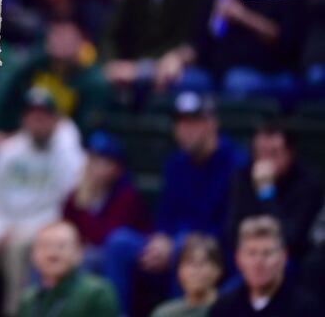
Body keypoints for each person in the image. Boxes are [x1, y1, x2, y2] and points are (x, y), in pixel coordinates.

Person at [103, 91, 249, 314]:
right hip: (173, 244)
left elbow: (230, 227)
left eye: (194, 122)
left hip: (216, 252)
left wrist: (177, 243)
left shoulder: (236, 164)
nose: (186, 130)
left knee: (185, 246)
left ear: (212, 124)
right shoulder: (175, 163)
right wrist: (161, 240)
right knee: (119, 242)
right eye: (180, 123)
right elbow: (165, 216)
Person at [0, 87, 85, 315]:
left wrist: (21, 230)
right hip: (0, 229)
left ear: (55, 119)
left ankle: (15, 312)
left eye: (44, 115)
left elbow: (64, 203)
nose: (38, 120)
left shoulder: (67, 152)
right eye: (33, 115)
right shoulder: (8, 150)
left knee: (20, 247)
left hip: (41, 229)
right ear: (24, 119)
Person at [227, 122, 323, 259]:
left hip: (291, 261)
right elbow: (232, 232)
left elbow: (290, 239)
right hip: (247, 256)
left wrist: (266, 192)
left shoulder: (308, 184)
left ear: (290, 153)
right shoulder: (242, 178)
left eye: (274, 153)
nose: (265, 160)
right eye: (259, 152)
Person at [62, 131, 150, 272]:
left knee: (89, 258)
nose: (92, 166)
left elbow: (105, 239)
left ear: (117, 169)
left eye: (101, 162)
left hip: (122, 260)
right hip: (82, 254)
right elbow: (65, 231)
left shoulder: (126, 196)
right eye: (91, 159)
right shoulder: (73, 198)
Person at [210, 215, 320, 316]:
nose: (259, 262)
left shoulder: (306, 308)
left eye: (267, 253)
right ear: (238, 259)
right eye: (252, 253)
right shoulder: (224, 307)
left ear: (284, 257)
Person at [17, 222, 119, 317]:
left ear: (79, 252)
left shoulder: (97, 293)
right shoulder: (28, 299)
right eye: (45, 246)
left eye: (61, 246)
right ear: (33, 255)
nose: (52, 253)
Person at [150, 234, 222, 317]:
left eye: (203, 263)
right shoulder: (164, 313)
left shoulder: (231, 309)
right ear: (179, 271)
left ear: (218, 269)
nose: (196, 270)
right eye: (190, 263)